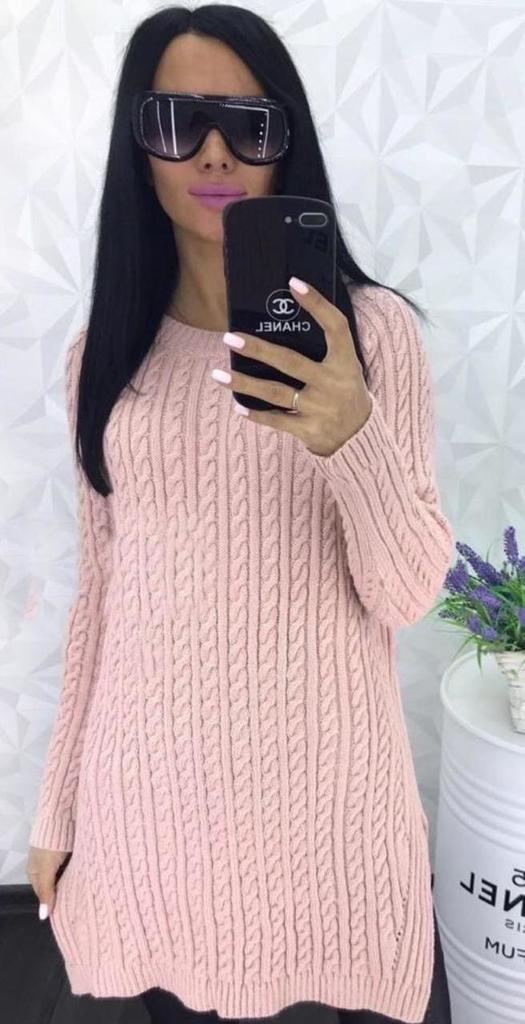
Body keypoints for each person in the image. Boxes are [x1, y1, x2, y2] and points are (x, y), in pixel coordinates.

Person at [26, 6, 454, 1024]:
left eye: (249, 124)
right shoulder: (105, 356)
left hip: (324, 811)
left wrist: (350, 434)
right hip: (148, 810)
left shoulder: (373, 336)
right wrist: (56, 808)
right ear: (138, 145)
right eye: (177, 120)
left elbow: (407, 594)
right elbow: (101, 597)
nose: (213, 153)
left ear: (285, 143)